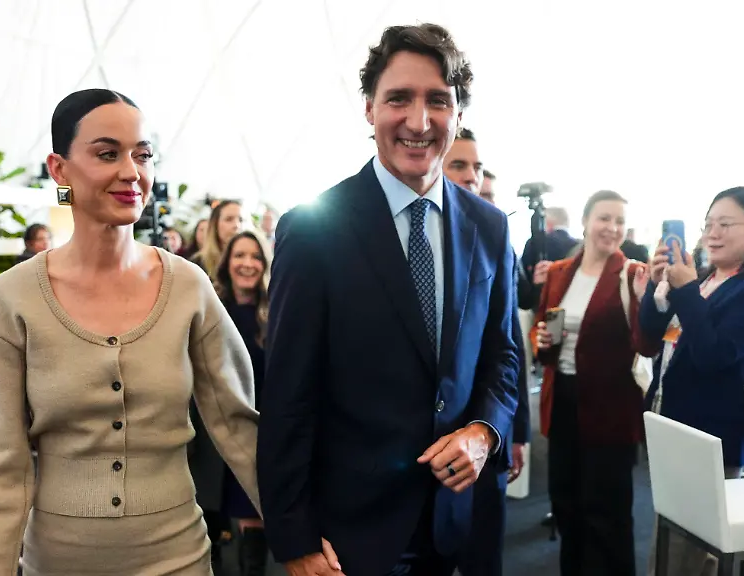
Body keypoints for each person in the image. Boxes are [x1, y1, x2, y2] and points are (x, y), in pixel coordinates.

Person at [0, 88, 260, 576]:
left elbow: (240, 426)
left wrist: (299, 528)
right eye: (107, 153)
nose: (131, 172)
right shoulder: (16, 296)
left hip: (178, 557)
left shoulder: (188, 287)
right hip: (58, 561)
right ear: (59, 169)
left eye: (142, 155)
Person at [258, 23, 519, 576]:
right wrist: (295, 539)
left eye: (438, 101)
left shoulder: (490, 228)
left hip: (464, 521)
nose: (419, 122)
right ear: (369, 109)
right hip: (354, 534)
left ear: (459, 114)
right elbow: (287, 395)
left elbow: (503, 355)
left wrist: (485, 433)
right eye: (398, 98)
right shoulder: (312, 229)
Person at [641, 187, 744, 576]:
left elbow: (713, 355)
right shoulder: (702, 279)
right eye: (707, 224)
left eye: (724, 224)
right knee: (668, 539)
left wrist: (685, 289)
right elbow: (651, 338)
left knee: (687, 557)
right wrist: (657, 287)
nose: (712, 233)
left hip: (709, 436)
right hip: (669, 421)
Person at [531, 190, 659, 576]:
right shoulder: (558, 273)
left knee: (608, 514)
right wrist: (543, 342)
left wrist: (647, 300)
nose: (613, 228)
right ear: (585, 221)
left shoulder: (633, 274)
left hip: (611, 409)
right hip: (563, 401)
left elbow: (648, 345)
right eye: (604, 218)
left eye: (620, 221)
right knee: (566, 504)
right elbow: (544, 333)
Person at [443, 133, 530, 576]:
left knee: (483, 559)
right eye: (460, 165)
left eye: (477, 168)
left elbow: (508, 345)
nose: (471, 177)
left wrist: (514, 432)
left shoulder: (496, 237)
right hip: (425, 448)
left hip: (486, 433)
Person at [191, 231, 273, 576]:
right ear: (227, 262)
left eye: (256, 256)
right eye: (240, 255)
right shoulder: (210, 308)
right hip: (211, 432)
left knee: (253, 513)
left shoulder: (276, 312)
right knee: (212, 518)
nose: (248, 264)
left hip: (260, 427)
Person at [192, 200, 244, 276]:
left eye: (241, 220)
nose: (237, 225)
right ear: (215, 226)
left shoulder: (253, 263)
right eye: (229, 219)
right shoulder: (198, 264)